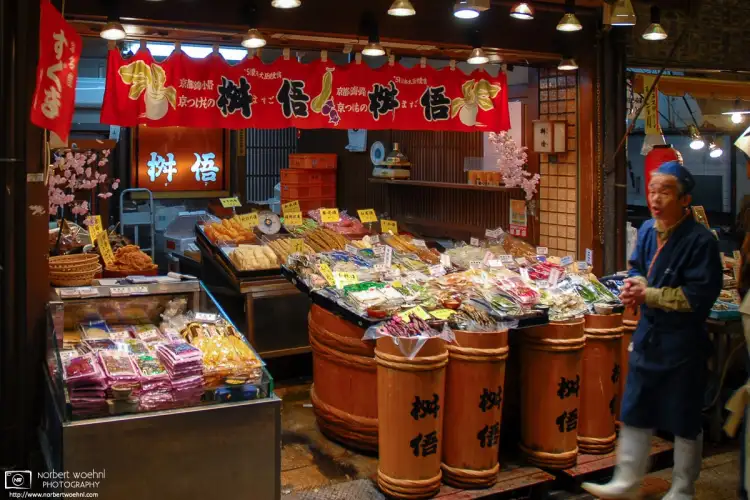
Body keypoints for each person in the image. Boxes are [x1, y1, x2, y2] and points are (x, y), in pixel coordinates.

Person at [582, 161, 723, 499]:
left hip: (682, 342)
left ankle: (682, 488)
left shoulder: (702, 241)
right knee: (636, 406)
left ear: (685, 199)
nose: (655, 199)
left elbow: (699, 296)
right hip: (648, 335)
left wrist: (650, 294)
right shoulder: (646, 230)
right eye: (652, 191)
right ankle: (627, 480)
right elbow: (637, 267)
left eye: (665, 192)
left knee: (684, 413)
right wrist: (635, 284)